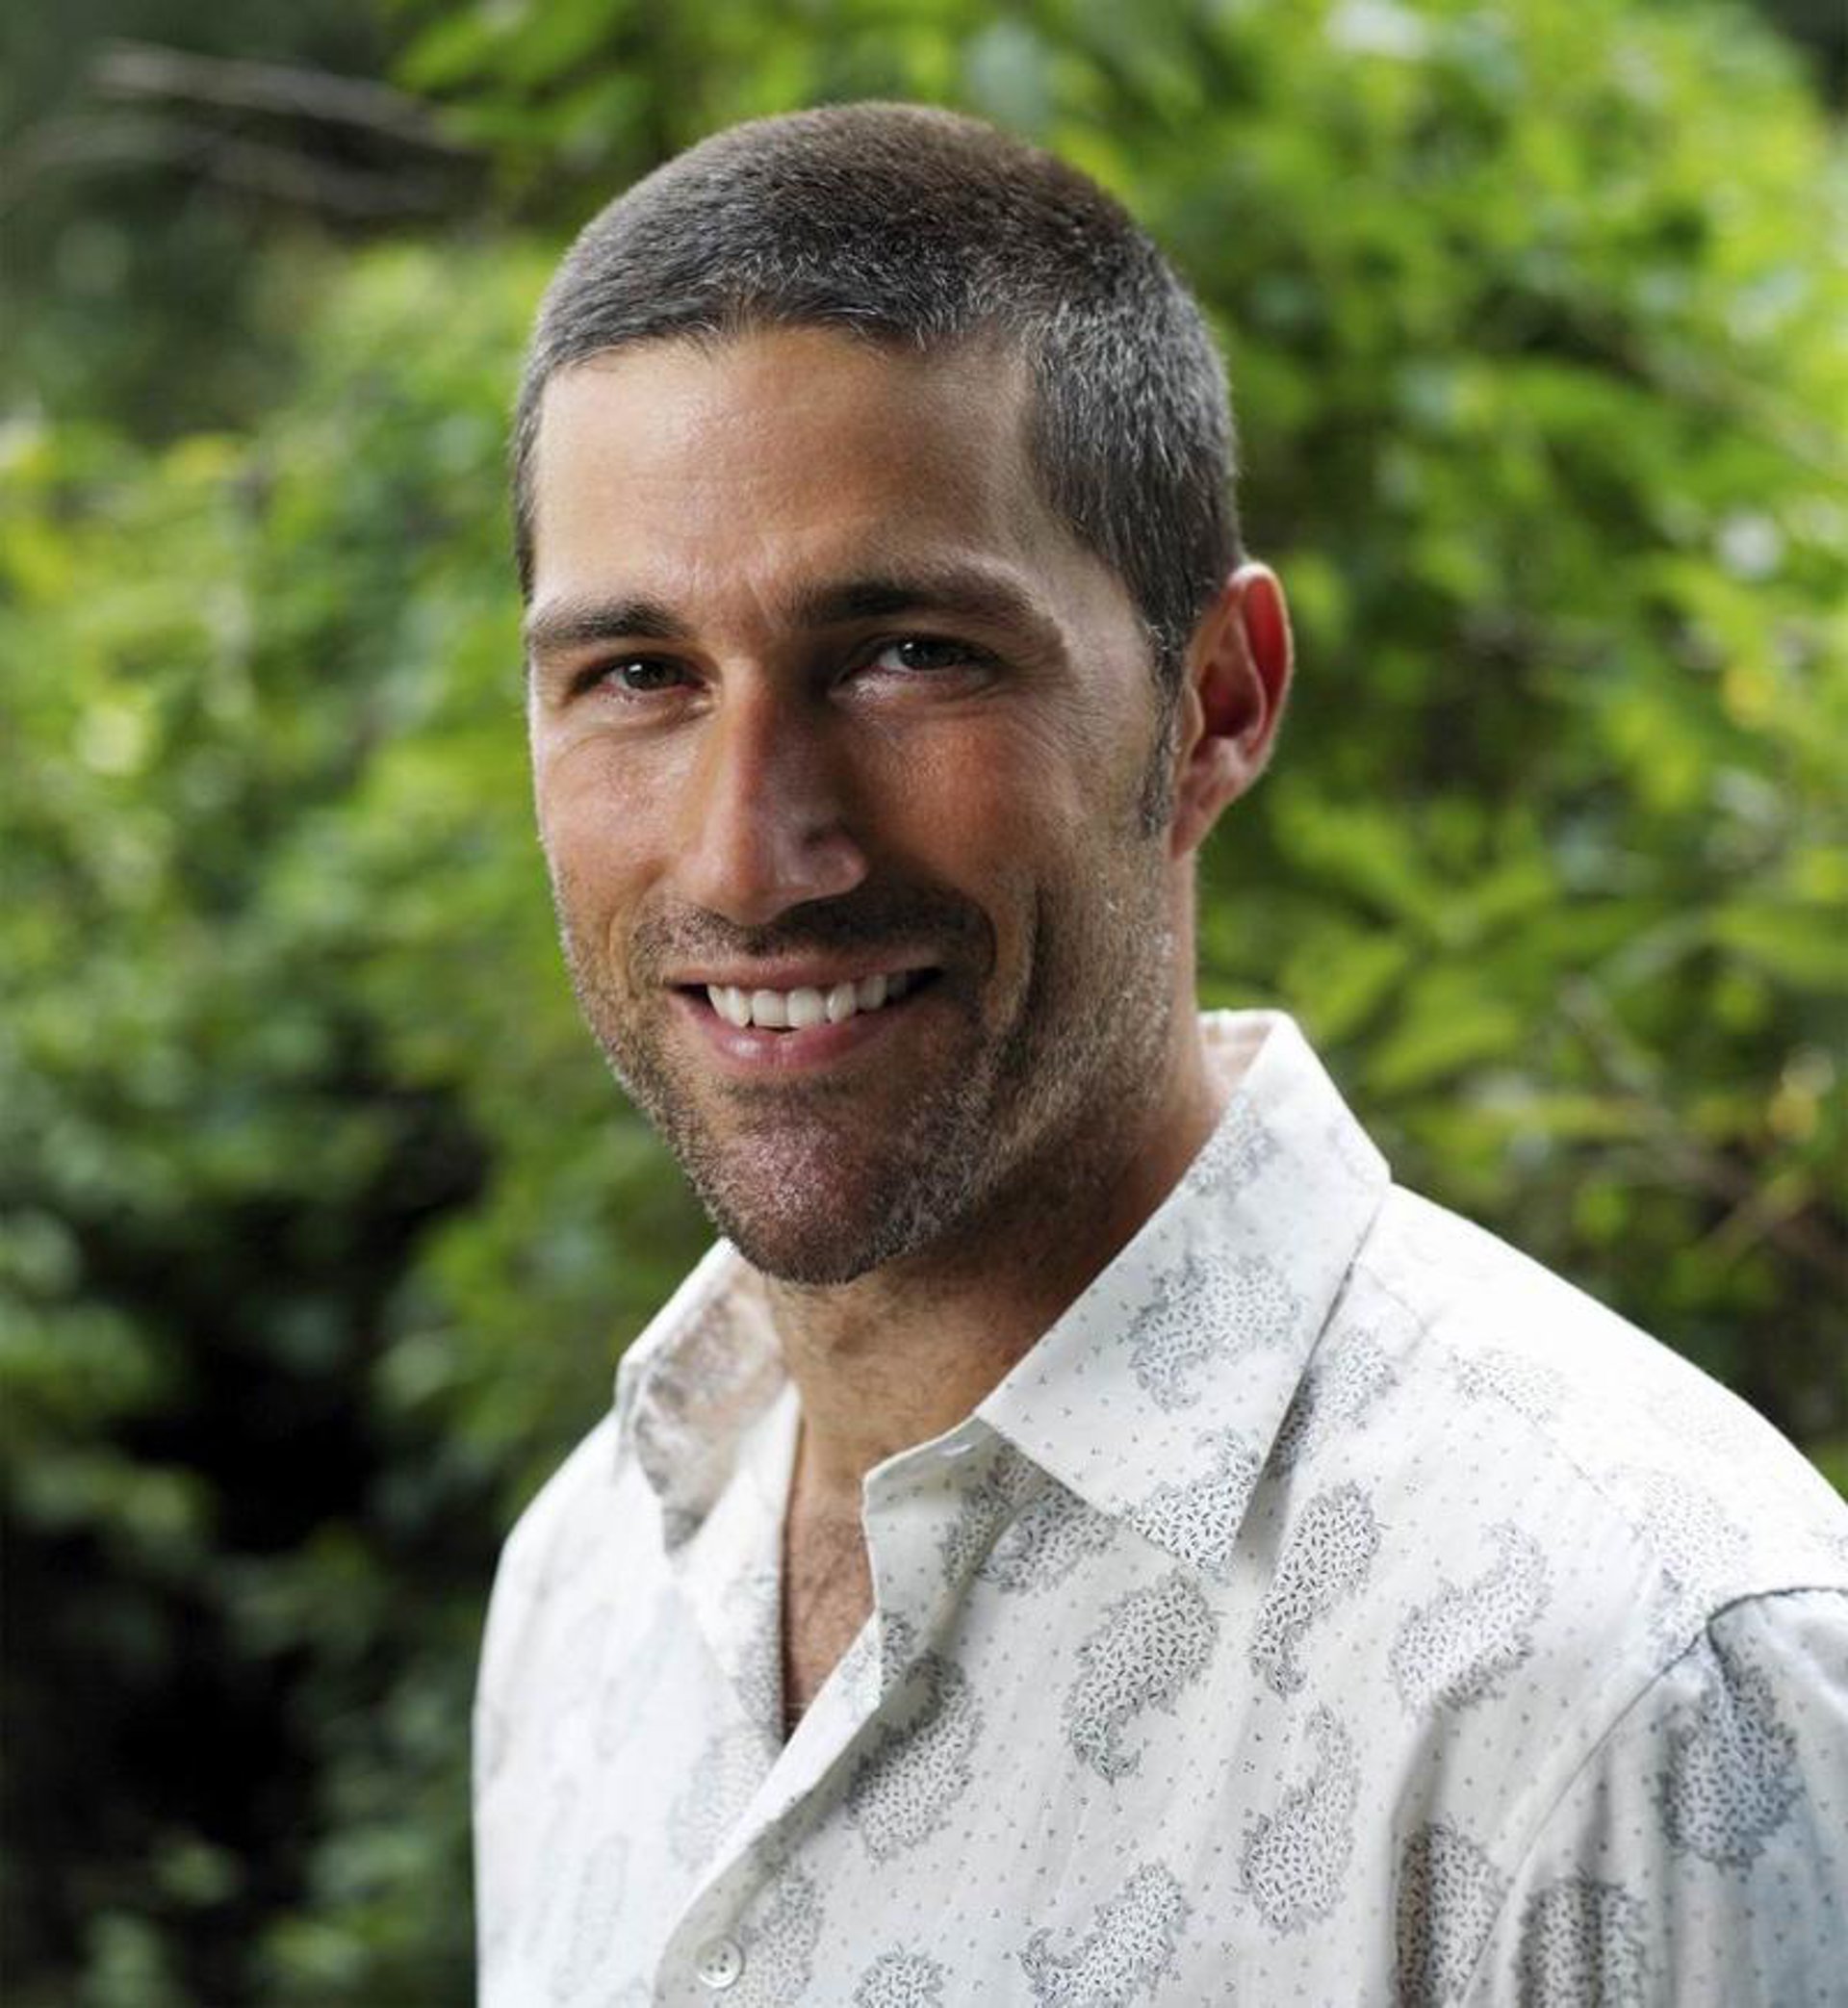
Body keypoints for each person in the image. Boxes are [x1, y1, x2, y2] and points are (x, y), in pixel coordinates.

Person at [473, 102, 1848, 2006]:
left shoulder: (1645, 1687)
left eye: (908, 653)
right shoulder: (586, 1581)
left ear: (1215, 703)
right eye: (639, 676)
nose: (743, 855)